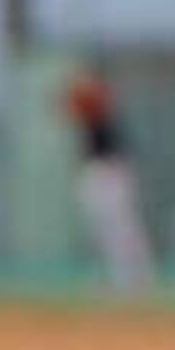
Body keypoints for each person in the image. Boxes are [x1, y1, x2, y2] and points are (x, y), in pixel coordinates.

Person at [63, 65, 155, 294]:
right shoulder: (90, 118)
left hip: (111, 173)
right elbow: (68, 107)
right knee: (103, 230)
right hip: (96, 172)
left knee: (122, 228)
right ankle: (113, 279)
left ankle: (134, 279)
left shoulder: (107, 116)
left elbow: (119, 153)